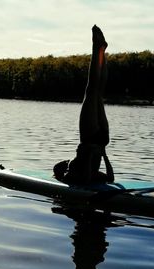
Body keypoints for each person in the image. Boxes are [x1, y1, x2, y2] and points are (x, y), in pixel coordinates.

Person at [53, 25, 114, 184]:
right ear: (59, 173)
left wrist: (99, 153)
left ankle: (101, 50)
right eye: (63, 165)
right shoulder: (69, 175)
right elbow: (99, 179)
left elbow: (104, 178)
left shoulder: (78, 171)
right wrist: (97, 154)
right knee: (92, 90)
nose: (65, 162)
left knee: (97, 92)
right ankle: (98, 48)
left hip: (100, 142)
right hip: (91, 138)